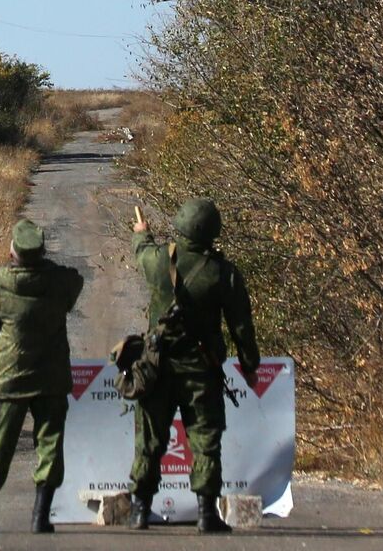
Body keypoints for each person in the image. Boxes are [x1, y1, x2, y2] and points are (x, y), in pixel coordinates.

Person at [129, 197, 259, 534]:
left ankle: (141, 509)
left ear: (180, 226)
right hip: (202, 371)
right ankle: (206, 514)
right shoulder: (223, 273)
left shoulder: (161, 261)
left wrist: (141, 233)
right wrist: (249, 365)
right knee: (205, 439)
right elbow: (241, 325)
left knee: (150, 439)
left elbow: (142, 252)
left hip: (156, 368)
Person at [0, 218, 85, 534]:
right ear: (42, 251)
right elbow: (76, 281)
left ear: (12, 250)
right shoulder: (60, 283)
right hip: (52, 377)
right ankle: (41, 516)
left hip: (9, 377)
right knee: (50, 445)